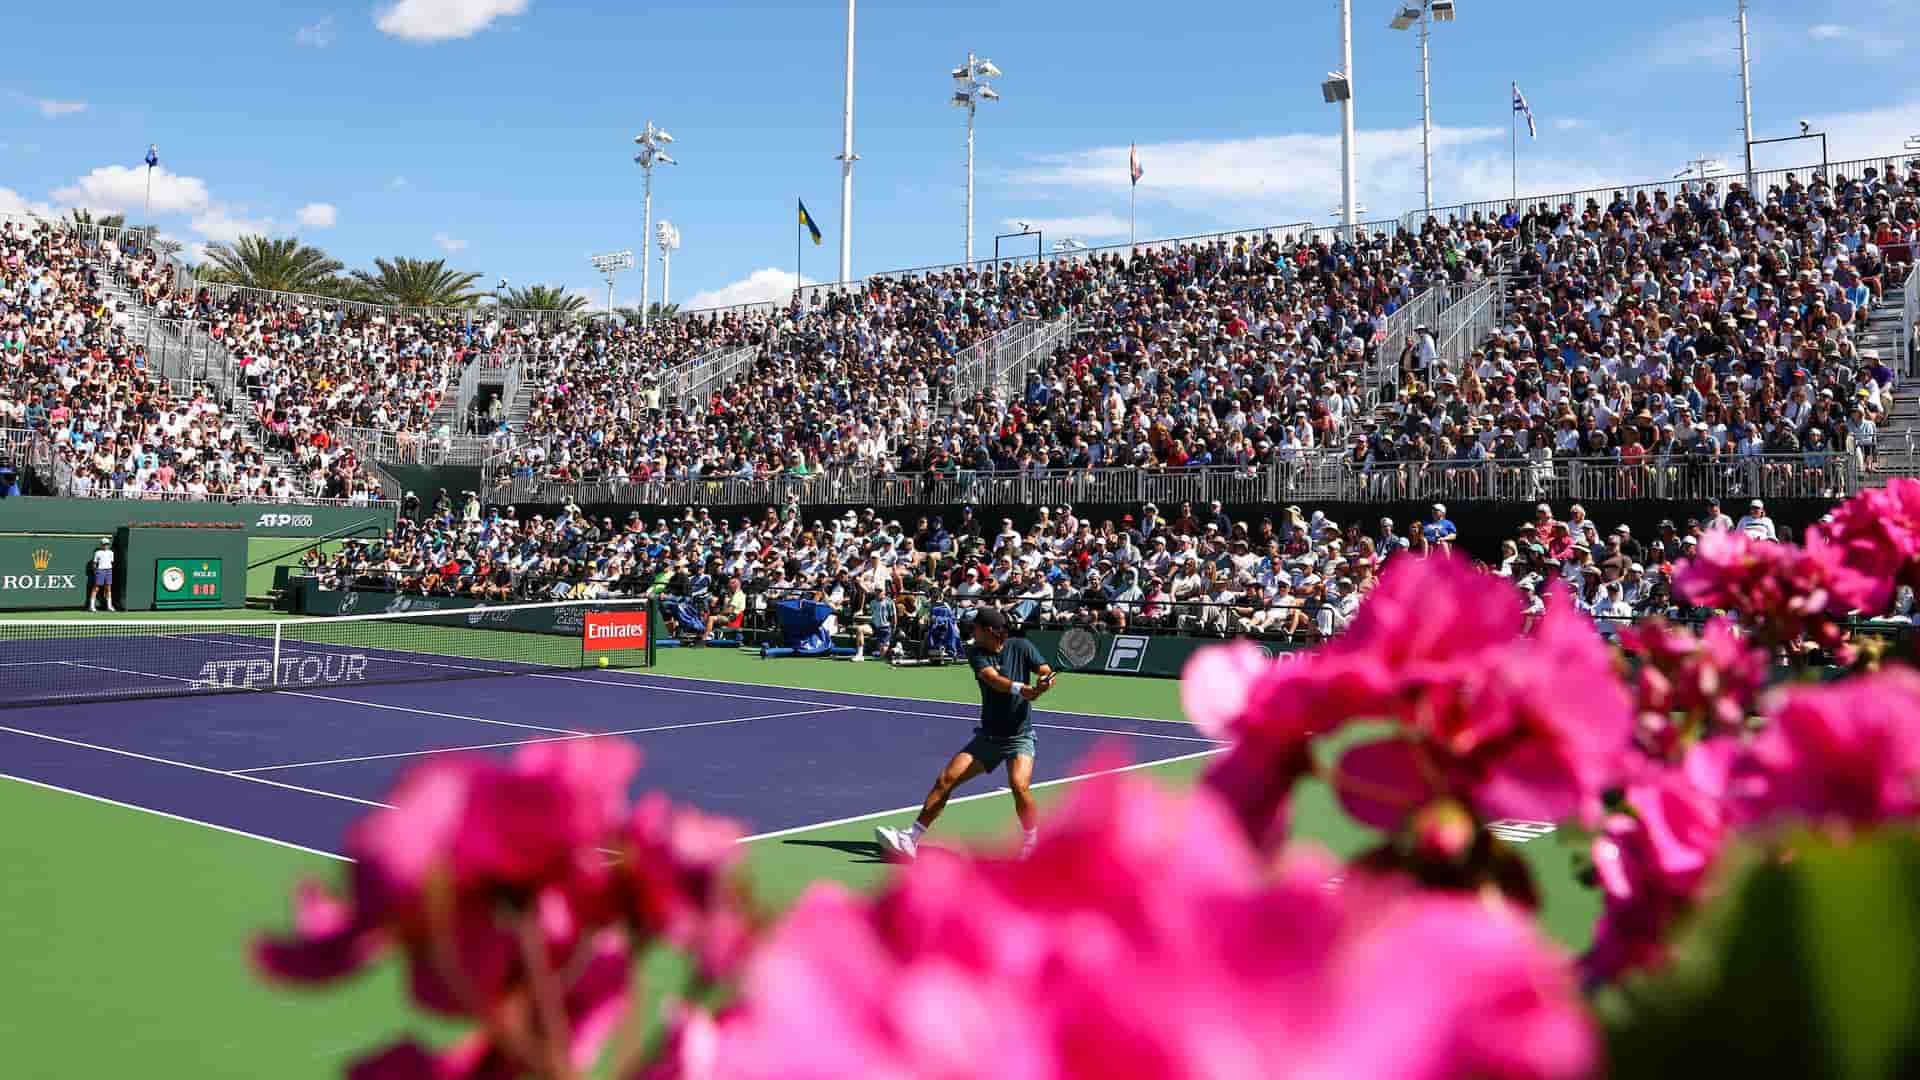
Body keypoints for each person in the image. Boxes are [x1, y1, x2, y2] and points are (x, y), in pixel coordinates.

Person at [876, 607, 1055, 861]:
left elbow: (1045, 670)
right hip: (988, 738)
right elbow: (992, 679)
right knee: (946, 779)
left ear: (990, 631)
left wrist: (1044, 683)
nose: (972, 631)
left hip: (1019, 737)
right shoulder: (976, 653)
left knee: (1019, 785)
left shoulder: (1022, 646)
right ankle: (910, 839)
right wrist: (1023, 689)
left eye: (976, 627)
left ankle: (1033, 842)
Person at [87, 538, 116, 612]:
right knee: (96, 588)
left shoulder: (111, 552)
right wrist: (96, 571)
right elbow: (94, 563)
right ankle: (92, 606)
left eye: (107, 544)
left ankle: (109, 606)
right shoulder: (98, 552)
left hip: (109, 570)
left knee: (108, 588)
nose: (106, 546)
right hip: (100, 571)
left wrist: (109, 569)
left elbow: (111, 562)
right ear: (101, 545)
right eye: (104, 544)